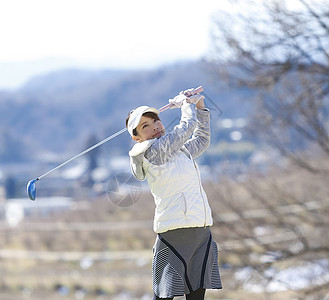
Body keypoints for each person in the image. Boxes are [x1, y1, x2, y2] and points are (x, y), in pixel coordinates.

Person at [126, 87, 222, 300]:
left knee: (197, 295)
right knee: (164, 295)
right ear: (137, 138)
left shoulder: (180, 150)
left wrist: (199, 106)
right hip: (174, 232)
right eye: (145, 126)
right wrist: (186, 106)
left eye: (155, 121)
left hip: (200, 228)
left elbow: (201, 139)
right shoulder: (152, 152)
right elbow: (185, 129)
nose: (155, 127)